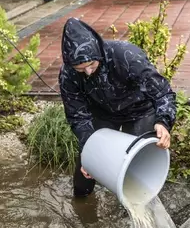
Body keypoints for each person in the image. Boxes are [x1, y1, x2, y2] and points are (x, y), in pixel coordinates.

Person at [58, 17, 177, 198]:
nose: (88, 72)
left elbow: (162, 92)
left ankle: (136, 204)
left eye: (91, 65)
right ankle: (82, 204)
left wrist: (163, 121)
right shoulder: (68, 75)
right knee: (85, 168)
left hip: (139, 110)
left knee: (137, 162)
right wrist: (91, 150)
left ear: (98, 52)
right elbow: (77, 115)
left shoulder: (126, 56)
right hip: (102, 112)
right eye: (81, 69)